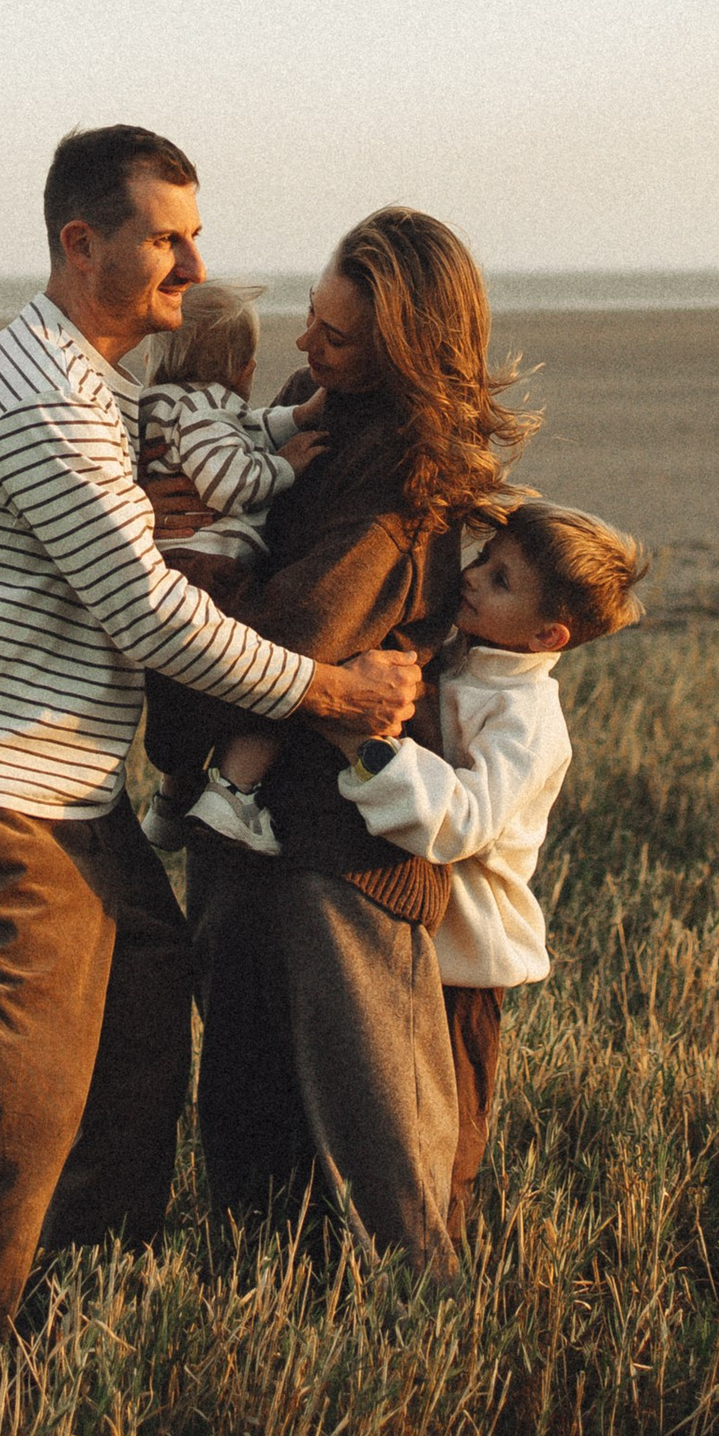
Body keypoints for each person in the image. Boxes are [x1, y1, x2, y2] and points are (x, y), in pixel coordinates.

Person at [0, 125, 418, 1357]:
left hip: (67, 790)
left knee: (134, 1050)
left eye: (194, 232)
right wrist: (332, 691)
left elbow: (163, 524)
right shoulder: (48, 405)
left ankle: (65, 1326)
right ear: (83, 244)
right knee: (8, 1114)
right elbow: (150, 613)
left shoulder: (101, 391)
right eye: (166, 236)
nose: (193, 261)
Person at [151, 207, 534, 1277]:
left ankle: (423, 1359)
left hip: (339, 847)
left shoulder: (404, 474)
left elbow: (295, 634)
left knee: (383, 1156)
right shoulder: (310, 406)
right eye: (312, 323)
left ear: (408, 350)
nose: (306, 351)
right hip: (241, 822)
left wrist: (198, 600)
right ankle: (260, 1338)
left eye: (339, 338)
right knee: (246, 1132)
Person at [335, 500, 649, 1243]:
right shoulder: (456, 655)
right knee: (385, 1106)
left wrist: (366, 749)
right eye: (483, 559)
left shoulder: (528, 716)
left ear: (549, 636)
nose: (472, 577)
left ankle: (439, 1254)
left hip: (465, 962)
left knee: (450, 1122)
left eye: (501, 579)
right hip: (407, 940)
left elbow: (465, 822)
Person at [136, 280, 323, 581]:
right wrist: (284, 466)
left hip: (178, 562)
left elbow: (246, 431)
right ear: (244, 370)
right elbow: (227, 483)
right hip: (205, 565)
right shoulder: (202, 409)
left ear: (150, 360)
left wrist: (299, 416)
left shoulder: (171, 409)